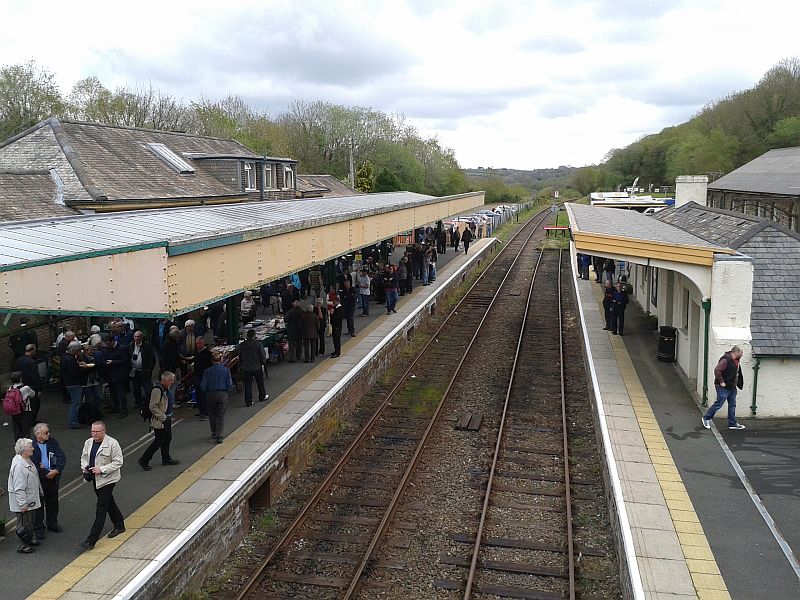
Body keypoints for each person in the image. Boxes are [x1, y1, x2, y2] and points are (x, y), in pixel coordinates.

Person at [80, 421, 125, 550]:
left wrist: (102, 469)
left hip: (108, 479)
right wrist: (85, 468)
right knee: (109, 502)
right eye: (93, 431)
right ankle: (119, 524)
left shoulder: (112, 443)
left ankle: (91, 540)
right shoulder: (88, 443)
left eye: (97, 431)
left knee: (101, 507)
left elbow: (118, 462)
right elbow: (83, 458)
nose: (94, 434)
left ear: (104, 431)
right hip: (95, 479)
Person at [137, 372, 180, 470]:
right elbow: (153, 406)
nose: (172, 382)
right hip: (161, 419)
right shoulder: (157, 390)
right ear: (164, 380)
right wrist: (162, 417)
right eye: (171, 380)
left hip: (167, 418)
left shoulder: (165, 388)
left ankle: (166, 458)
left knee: (167, 438)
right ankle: (144, 459)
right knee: (159, 441)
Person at [8, 437, 42, 553]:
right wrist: (22, 504)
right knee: (23, 523)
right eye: (30, 447)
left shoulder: (26, 460)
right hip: (24, 501)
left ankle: (29, 539)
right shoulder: (19, 466)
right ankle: (22, 545)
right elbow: (19, 488)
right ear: (23, 451)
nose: (33, 448)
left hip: (29, 498)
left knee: (29, 522)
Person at [31, 422, 66, 537]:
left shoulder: (52, 442)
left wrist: (56, 471)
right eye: (46, 433)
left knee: (53, 502)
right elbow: (34, 464)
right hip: (40, 479)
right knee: (39, 504)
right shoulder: (31, 446)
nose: (48, 434)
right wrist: (46, 473)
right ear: (38, 434)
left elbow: (61, 456)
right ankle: (39, 528)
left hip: (53, 476)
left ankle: (52, 523)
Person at [702, 346, 746, 430]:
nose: (742, 355)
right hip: (723, 387)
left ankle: (732, 423)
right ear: (736, 352)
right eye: (741, 353)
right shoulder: (725, 360)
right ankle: (706, 418)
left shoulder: (736, 361)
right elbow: (717, 370)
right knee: (719, 403)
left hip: (732, 387)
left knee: (732, 404)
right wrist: (722, 382)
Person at [201, 352, 234, 443]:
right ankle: (220, 435)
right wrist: (227, 391)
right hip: (222, 394)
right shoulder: (226, 370)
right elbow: (229, 384)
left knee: (212, 415)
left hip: (210, 394)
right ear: (221, 360)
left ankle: (214, 432)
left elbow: (203, 386)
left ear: (212, 361)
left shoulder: (207, 371)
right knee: (221, 415)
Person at [63, 341, 90, 428]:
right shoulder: (71, 359)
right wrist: (84, 368)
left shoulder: (64, 357)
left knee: (75, 402)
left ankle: (74, 421)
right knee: (76, 403)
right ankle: (73, 422)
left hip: (68, 382)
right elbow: (74, 373)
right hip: (74, 383)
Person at [238, 329, 268, 406]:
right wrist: (263, 363)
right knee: (260, 382)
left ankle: (248, 401)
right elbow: (262, 355)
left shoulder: (242, 345)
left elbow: (239, 354)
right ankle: (262, 396)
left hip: (246, 367)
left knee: (248, 384)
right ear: (254, 336)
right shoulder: (257, 344)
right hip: (256, 366)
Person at [128, 330, 156, 410]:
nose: (136, 338)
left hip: (144, 371)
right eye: (135, 336)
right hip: (134, 371)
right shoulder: (131, 345)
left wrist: (149, 369)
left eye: (138, 336)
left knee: (147, 388)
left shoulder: (147, 345)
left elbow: (152, 359)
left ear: (141, 337)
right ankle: (138, 402)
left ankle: (149, 403)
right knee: (136, 389)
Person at [16, 344, 42, 423]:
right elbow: (35, 376)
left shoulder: (19, 360)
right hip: (32, 386)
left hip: (22, 384)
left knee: (25, 403)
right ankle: (32, 420)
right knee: (35, 404)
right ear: (32, 350)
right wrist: (39, 388)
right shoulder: (32, 362)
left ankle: (26, 419)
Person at [6, 371, 35, 440]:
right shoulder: (26, 388)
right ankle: (26, 447)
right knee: (25, 431)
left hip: (14, 411)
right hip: (24, 411)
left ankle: (18, 446)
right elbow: (33, 394)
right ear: (21, 379)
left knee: (17, 430)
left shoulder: (10, 388)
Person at [193, 337, 213, 420]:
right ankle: (201, 410)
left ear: (203, 343)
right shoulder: (196, 352)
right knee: (198, 394)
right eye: (197, 343)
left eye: (199, 343)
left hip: (204, 376)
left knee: (203, 394)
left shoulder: (207, 353)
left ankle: (205, 412)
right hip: (197, 375)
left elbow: (209, 365)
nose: (198, 345)